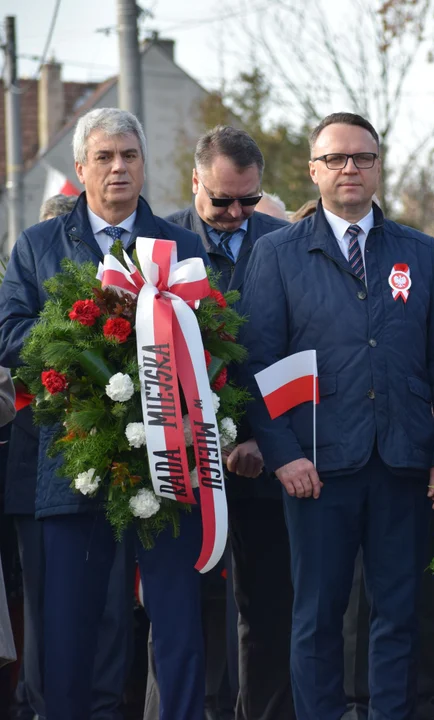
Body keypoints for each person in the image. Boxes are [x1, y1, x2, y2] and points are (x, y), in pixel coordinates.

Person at [237, 111, 434, 720]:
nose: (349, 168)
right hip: (316, 467)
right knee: (316, 617)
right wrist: (283, 455)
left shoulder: (417, 250)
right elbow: (256, 365)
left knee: (400, 613)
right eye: (335, 158)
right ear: (314, 170)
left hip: (403, 463)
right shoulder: (278, 254)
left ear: (378, 166)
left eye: (361, 157)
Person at [0, 107, 210, 719]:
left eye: (130, 155)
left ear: (144, 164)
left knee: (176, 625)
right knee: (68, 628)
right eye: (105, 157)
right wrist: (90, 319)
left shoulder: (181, 245)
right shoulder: (39, 245)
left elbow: (214, 338)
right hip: (73, 457)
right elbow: (10, 334)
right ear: (80, 167)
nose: (119, 167)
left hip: (165, 459)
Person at [166, 125, 294, 720]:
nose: (237, 213)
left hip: (266, 457)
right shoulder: (159, 245)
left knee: (267, 607)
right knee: (183, 609)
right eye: (221, 201)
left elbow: (295, 351)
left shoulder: (285, 241)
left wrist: (263, 439)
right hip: (180, 459)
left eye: (248, 199)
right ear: (195, 181)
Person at [5, 192, 135, 720]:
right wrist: (80, 341)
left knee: (109, 612)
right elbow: (11, 340)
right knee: (48, 614)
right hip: (39, 466)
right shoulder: (32, 261)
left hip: (119, 459)